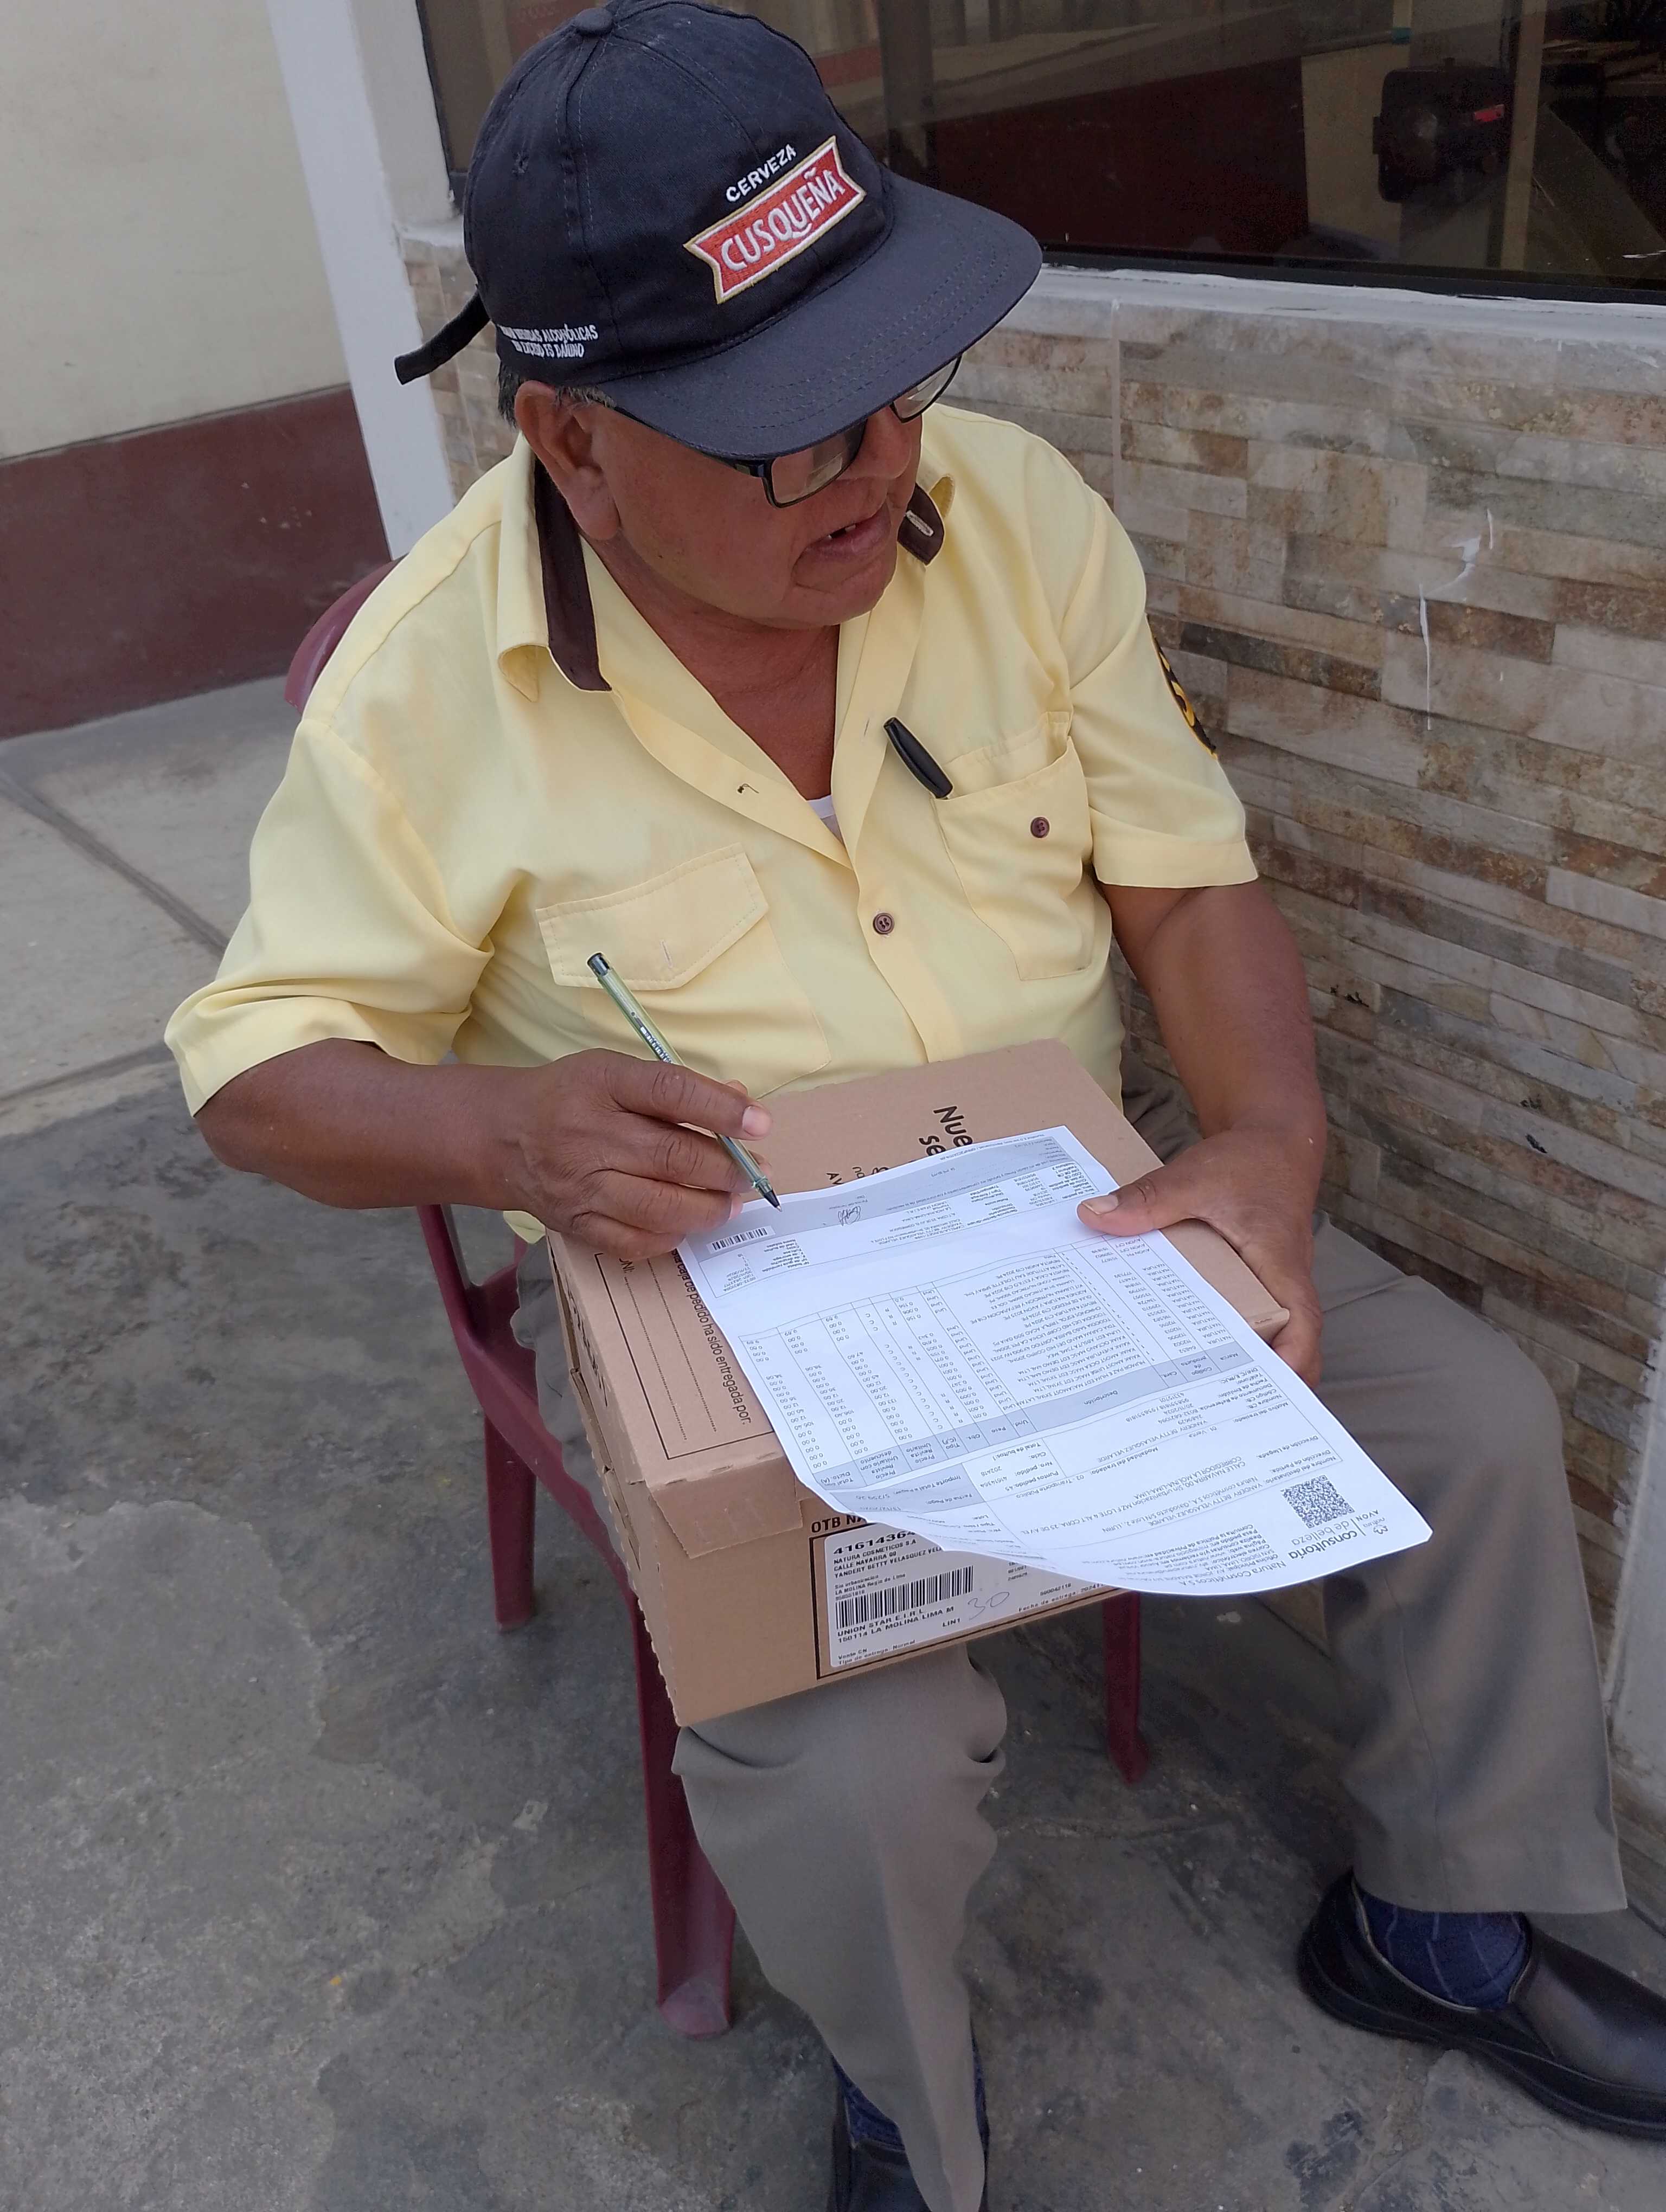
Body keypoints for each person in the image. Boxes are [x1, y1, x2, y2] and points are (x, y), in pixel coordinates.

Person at [165, 4, 1666, 2204]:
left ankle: (1441, 1921)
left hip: (1069, 1222)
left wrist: (1268, 1145)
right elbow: (256, 1075)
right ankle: (912, 2107)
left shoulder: (1014, 519)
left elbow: (1185, 880)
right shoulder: (426, 686)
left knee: (1473, 1423)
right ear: (572, 443)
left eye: (895, 382)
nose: (879, 468)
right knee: (855, 1769)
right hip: (722, 1300)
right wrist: (501, 1137)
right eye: (791, 438)